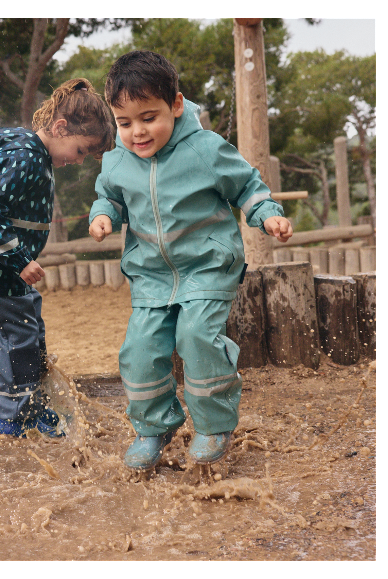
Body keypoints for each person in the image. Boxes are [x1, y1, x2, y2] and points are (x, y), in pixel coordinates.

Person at [88, 51, 293, 470]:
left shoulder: (205, 148)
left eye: (149, 117)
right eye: (125, 123)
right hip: (150, 275)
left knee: (197, 336)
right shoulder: (117, 160)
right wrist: (103, 216)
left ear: (176, 105)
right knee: (139, 350)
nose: (137, 132)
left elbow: (246, 185)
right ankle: (153, 428)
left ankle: (214, 424)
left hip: (207, 265)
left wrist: (267, 214)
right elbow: (108, 195)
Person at [0, 78, 115, 438]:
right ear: (61, 128)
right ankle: (17, 418)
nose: (77, 161)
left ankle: (28, 408)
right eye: (79, 151)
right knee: (14, 343)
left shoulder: (34, 155)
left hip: (5, 270)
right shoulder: (25, 156)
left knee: (27, 334)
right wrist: (20, 260)